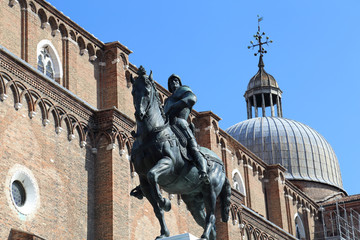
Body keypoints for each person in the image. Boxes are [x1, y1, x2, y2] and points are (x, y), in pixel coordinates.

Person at [164, 74, 209, 184]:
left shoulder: (184, 90)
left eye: (175, 80)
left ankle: (203, 170)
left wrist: (178, 105)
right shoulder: (167, 100)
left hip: (181, 123)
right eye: (171, 82)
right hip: (168, 125)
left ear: (179, 82)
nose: (173, 83)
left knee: (192, 147)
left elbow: (192, 98)